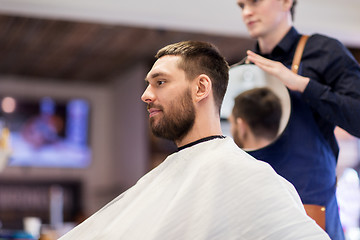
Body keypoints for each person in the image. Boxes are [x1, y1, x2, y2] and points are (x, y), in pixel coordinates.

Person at [58, 40, 329, 239]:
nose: (145, 95)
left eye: (160, 82)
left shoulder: (248, 176)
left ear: (200, 88)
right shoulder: (167, 173)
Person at [235, 0, 360, 239]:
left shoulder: (325, 52)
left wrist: (303, 85)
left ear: (285, 2)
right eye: (241, 6)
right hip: (254, 211)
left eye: (254, 2)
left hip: (309, 210)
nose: (247, 12)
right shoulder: (243, 71)